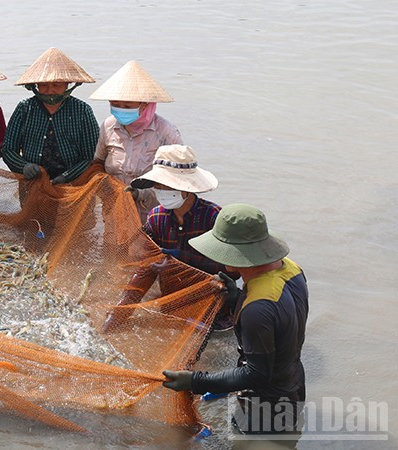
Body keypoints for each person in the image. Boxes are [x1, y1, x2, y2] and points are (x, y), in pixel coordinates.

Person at [162, 204, 309, 434]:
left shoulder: (257, 310)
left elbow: (255, 374)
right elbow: (280, 325)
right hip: (293, 387)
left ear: (237, 252)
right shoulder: (292, 270)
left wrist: (196, 381)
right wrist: (236, 298)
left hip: (261, 409)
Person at [102, 144, 235, 332]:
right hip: (173, 308)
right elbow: (145, 271)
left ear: (186, 188)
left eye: (168, 184)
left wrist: (180, 260)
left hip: (214, 314)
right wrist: (118, 315)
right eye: (158, 184)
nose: (160, 189)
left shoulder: (214, 218)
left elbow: (234, 270)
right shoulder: (156, 218)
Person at [90, 61, 182, 224]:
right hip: (115, 209)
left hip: (153, 215)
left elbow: (177, 181)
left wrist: (139, 194)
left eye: (127, 105)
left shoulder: (166, 133)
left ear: (144, 104)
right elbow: (98, 163)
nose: (121, 109)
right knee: (114, 247)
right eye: (116, 105)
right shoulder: (108, 126)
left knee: (148, 248)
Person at [2, 48, 100, 185]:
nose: (50, 91)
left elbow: (90, 157)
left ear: (67, 84)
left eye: (56, 85)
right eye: (43, 85)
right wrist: (23, 166)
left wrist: (66, 177)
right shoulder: (25, 108)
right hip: (33, 182)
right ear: (35, 86)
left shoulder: (82, 110)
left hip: (73, 183)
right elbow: (8, 150)